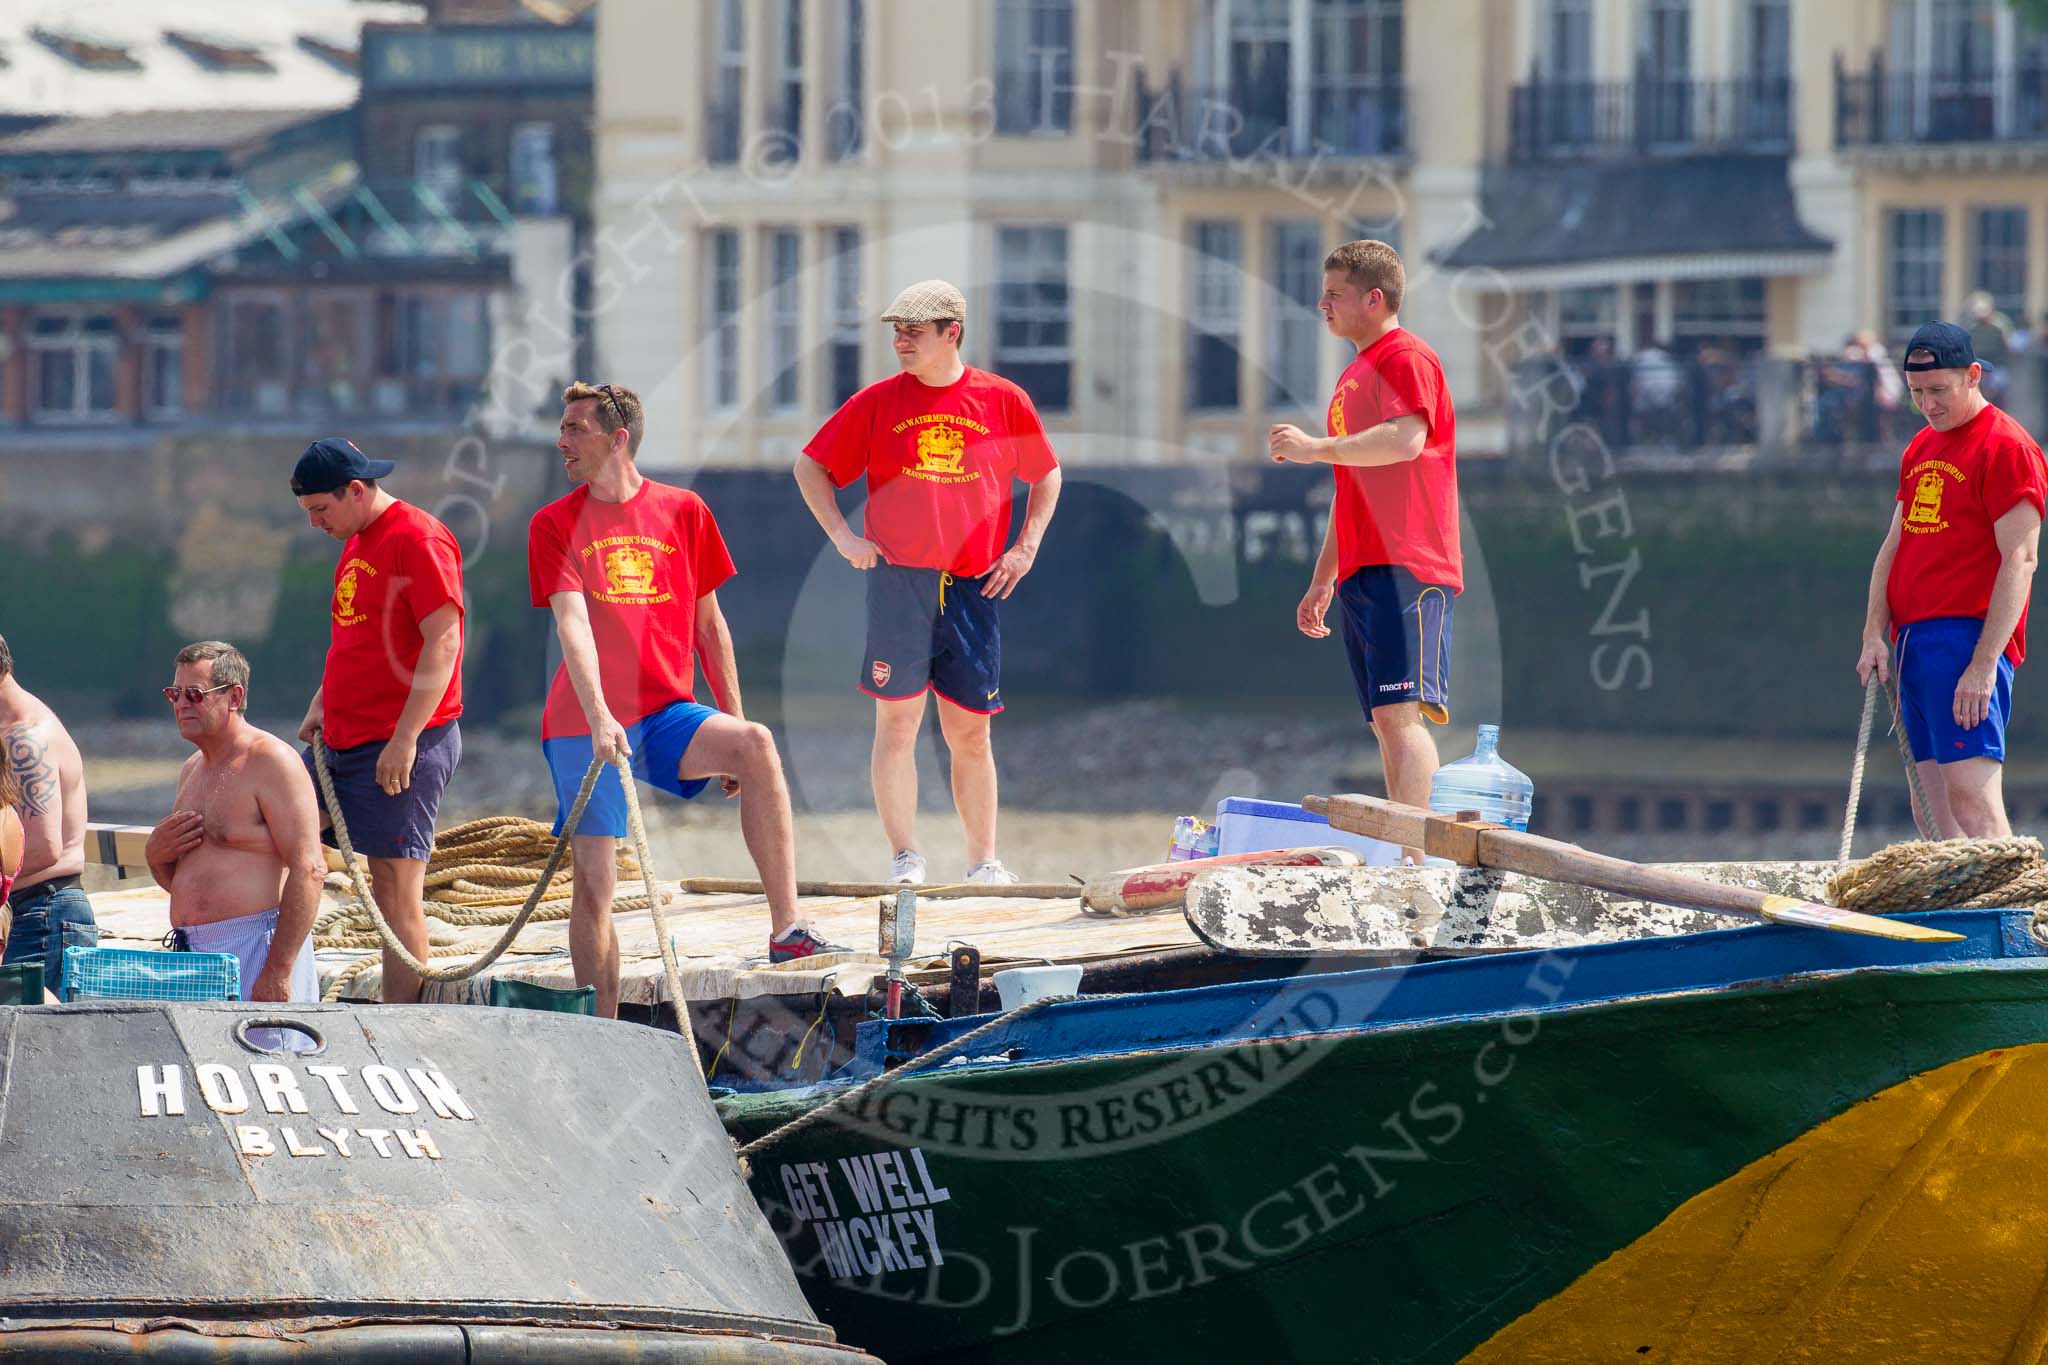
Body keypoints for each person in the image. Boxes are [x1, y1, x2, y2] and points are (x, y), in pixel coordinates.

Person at [532, 382, 840, 1018]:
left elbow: (710, 626)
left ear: (617, 440)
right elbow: (573, 626)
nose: (562, 441)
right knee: (596, 883)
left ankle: (788, 933)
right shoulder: (554, 523)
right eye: (561, 429)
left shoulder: (685, 511)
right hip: (581, 722)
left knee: (755, 745)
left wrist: (731, 716)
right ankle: (604, 1029)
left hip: (666, 712)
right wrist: (599, 718)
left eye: (575, 430)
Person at [795, 279, 1063, 886]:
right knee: (897, 724)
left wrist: (1024, 548)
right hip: (898, 581)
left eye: (914, 331)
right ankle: (905, 855)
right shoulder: (877, 402)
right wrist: (842, 537)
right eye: (896, 331)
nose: (901, 341)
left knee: (972, 731)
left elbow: (1047, 476)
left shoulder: (1002, 400)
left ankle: (983, 862)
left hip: (973, 584)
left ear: (953, 333)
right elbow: (810, 466)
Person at [1271, 239, 1460, 865]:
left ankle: (1416, 861)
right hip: (1364, 564)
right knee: (1385, 718)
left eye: (1334, 294)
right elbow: (1349, 486)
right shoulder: (1353, 374)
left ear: (1372, 299)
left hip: (1411, 560)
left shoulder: (1406, 356)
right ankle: (1406, 854)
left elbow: (1406, 441)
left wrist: (1316, 446)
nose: (1321, 304)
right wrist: (1322, 579)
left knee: (1404, 715)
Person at [290, 438, 464, 1005]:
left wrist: (406, 739)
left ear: (356, 490)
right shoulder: (355, 538)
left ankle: (400, 1026)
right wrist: (322, 700)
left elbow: (444, 640)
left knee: (395, 888)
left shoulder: (418, 537)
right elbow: (357, 634)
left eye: (321, 509)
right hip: (340, 737)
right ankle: (277, 988)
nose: (316, 523)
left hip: (401, 741)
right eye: (309, 512)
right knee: (278, 838)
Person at [1857, 321, 2047, 838]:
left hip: (1965, 640)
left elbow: (2022, 561)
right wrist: (1875, 634)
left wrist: (1984, 665)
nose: (1928, 404)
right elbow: (1894, 546)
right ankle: (1961, 917)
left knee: (1973, 805)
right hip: (1913, 641)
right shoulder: (1920, 445)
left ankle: (2022, 915)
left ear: (1973, 375)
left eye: (1939, 391)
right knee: (1933, 815)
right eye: (1917, 393)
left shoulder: (2007, 447)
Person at [144, 642, 324, 1003]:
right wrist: (155, 857)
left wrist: (278, 970)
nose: (181, 704)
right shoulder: (192, 769)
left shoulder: (271, 761)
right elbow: (191, 873)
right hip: (193, 952)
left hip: (256, 946)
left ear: (233, 696)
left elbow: (309, 868)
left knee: (267, 1057)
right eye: (174, 694)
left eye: (194, 694)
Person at [0, 633, 93, 996]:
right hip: (33, 911)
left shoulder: (24, 737)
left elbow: (43, 847)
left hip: (43, 914)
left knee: (39, 1042)